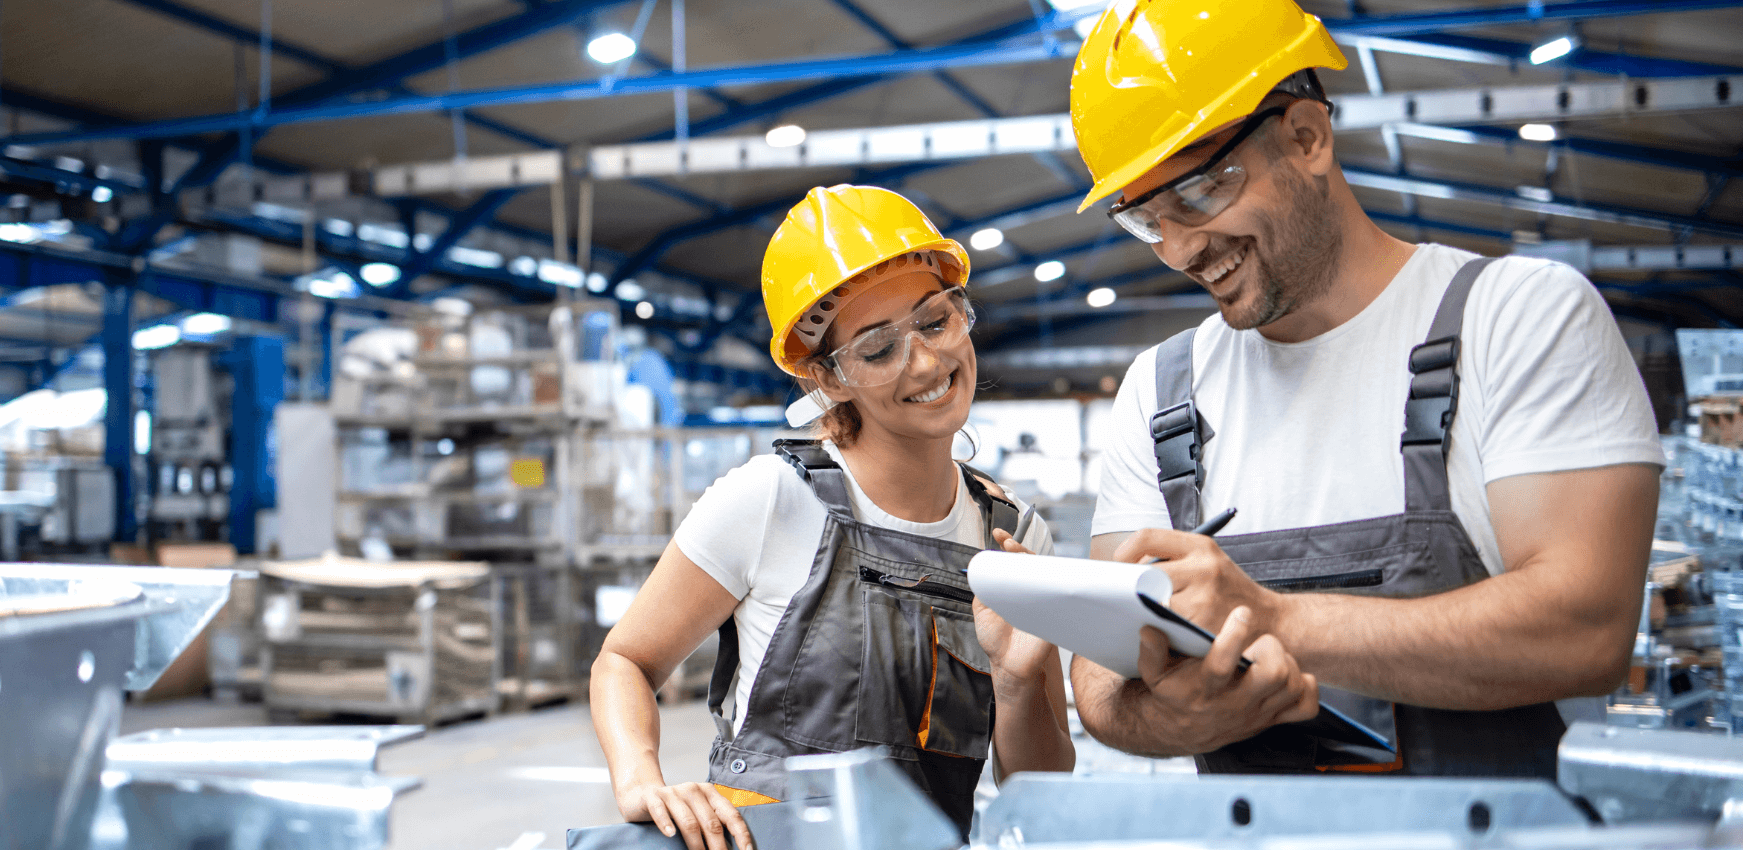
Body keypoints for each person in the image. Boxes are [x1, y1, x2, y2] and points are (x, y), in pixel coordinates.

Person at [1048, 0, 1663, 776]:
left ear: (1307, 138)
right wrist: (1166, 716)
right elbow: (1102, 683)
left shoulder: (1513, 317)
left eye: (1200, 194)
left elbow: (1586, 630)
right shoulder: (1164, 390)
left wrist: (1279, 622)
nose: (1178, 250)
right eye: (1145, 219)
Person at [590, 184, 1074, 848]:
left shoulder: (1014, 537)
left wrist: (1017, 683)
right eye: (878, 350)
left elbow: (1040, 791)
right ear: (830, 377)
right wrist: (641, 779)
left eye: (936, 321)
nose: (928, 361)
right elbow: (624, 660)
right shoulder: (772, 501)